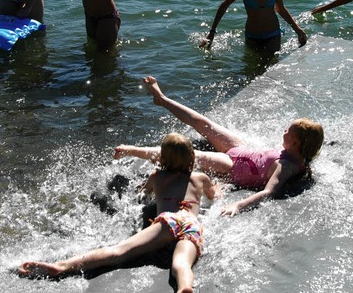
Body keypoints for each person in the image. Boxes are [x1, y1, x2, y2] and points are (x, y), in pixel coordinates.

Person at [18, 132, 218, 293]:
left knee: (119, 251)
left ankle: (61, 266)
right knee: (182, 262)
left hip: (168, 221)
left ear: (163, 158)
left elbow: (143, 195)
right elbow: (212, 194)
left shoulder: (156, 176)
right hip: (190, 222)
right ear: (192, 156)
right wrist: (218, 191)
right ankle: (184, 287)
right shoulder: (200, 178)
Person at [114, 76, 324, 217]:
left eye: (288, 131)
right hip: (243, 150)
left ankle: (131, 150)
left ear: (297, 142)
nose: (284, 132)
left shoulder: (286, 166)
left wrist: (238, 205)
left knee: (188, 154)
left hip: (232, 165)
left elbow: (269, 192)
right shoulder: (297, 153)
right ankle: (162, 99)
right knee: (204, 123)